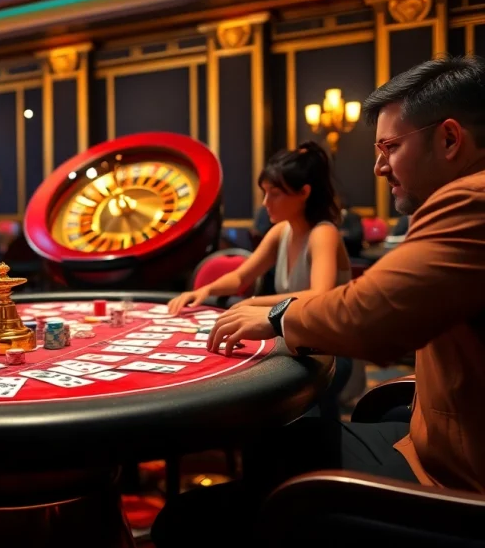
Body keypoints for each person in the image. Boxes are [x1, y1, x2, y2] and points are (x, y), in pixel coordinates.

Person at [153, 55, 485, 546]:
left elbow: (372, 315)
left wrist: (278, 315)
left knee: (186, 520)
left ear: (450, 139)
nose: (378, 166)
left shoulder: (473, 201)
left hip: (456, 480)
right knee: (284, 442)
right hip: (437, 439)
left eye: (390, 147)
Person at [168, 141, 351, 314]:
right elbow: (240, 278)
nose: (265, 202)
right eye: (265, 193)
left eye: (275, 194)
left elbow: (319, 295)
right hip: (297, 328)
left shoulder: (323, 233)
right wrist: (204, 291)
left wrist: (254, 302)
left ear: (304, 192)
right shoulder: (281, 231)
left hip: (328, 334)